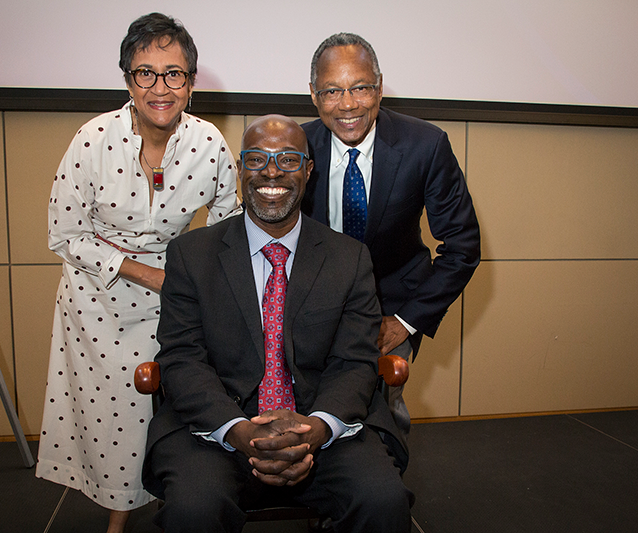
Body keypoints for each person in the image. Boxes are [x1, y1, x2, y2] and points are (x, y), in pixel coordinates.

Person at [142, 115, 412, 533]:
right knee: (193, 509)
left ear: (307, 170)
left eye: (288, 159)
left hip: (322, 425)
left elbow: (354, 362)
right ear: (239, 169)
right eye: (257, 159)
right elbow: (182, 359)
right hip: (219, 429)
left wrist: (316, 428)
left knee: (382, 500)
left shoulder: (349, 258)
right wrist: (238, 430)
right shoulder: (190, 255)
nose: (271, 171)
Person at [35, 13, 240, 533]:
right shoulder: (92, 138)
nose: (160, 87)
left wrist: (201, 284)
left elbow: (229, 225)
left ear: (191, 83)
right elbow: (64, 234)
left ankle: (178, 502)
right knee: (112, 422)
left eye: (174, 74)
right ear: (128, 78)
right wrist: (147, 274)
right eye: (145, 73)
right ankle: (118, 517)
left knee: (165, 410)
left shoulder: (210, 142)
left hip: (173, 302)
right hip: (96, 301)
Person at [301, 33, 481, 436]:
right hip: (310, 307)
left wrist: (406, 320)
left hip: (391, 307)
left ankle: (388, 489)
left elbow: (462, 248)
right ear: (313, 94)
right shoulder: (297, 147)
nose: (347, 104)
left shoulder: (426, 145)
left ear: (380, 88)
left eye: (361, 88)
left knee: (383, 411)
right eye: (332, 91)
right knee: (312, 411)